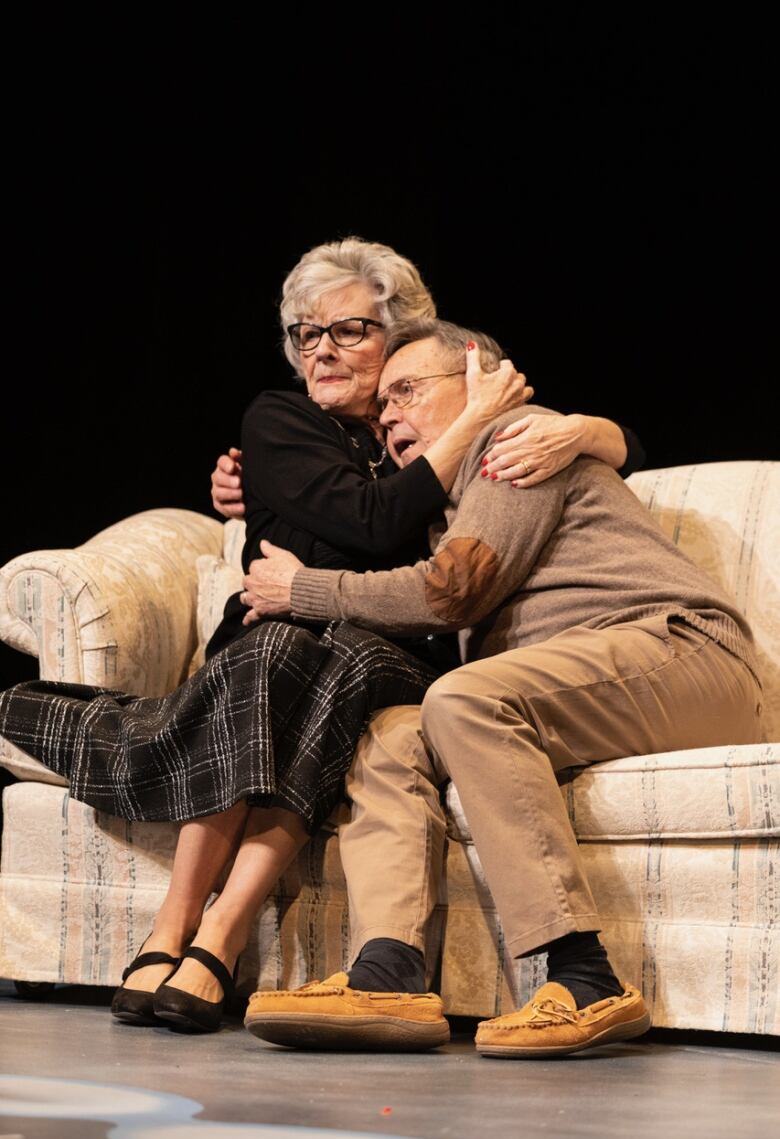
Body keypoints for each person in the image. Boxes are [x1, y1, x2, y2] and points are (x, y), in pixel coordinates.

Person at [0, 240, 642, 1038]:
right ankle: (179, 931)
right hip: (279, 644)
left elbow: (544, 486)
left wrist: (586, 428)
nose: (323, 350)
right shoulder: (282, 420)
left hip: (387, 651)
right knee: (288, 654)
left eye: (348, 331)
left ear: (402, 336)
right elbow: (369, 524)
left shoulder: (434, 432)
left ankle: (218, 936)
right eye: (307, 334)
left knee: (325, 658)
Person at [240, 318, 763, 1058]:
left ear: (478, 378)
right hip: (583, 674)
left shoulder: (516, 440)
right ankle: (387, 971)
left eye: (408, 392)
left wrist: (306, 590)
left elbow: (454, 592)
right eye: (382, 404)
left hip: (681, 651)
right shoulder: (441, 499)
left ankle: (585, 979)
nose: (389, 415)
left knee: (465, 698)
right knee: (390, 734)